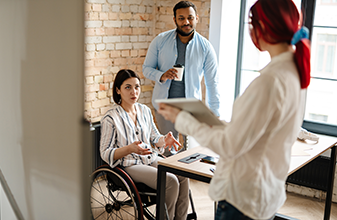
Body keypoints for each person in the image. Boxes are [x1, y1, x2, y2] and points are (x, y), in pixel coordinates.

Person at [158, 0, 311, 219]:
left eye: (251, 23)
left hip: (243, 198)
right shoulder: (295, 72)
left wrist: (184, 119)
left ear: (264, 27)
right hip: (265, 193)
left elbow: (230, 145)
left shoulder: (269, 82)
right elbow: (258, 130)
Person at [100, 69, 189, 220]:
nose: (133, 92)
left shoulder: (145, 110)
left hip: (149, 158)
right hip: (129, 164)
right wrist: (130, 149)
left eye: (137, 87)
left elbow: (155, 138)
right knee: (170, 181)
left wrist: (164, 140)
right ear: (118, 90)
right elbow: (105, 152)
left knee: (182, 174)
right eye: (127, 87)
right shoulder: (111, 118)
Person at [142, 1, 220, 153]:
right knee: (167, 152)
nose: (186, 22)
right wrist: (161, 75)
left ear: (197, 18)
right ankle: (170, 178)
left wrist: (215, 116)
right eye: (181, 18)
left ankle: (183, 178)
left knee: (189, 153)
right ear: (175, 19)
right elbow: (146, 69)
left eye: (190, 18)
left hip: (191, 110)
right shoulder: (160, 41)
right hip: (164, 107)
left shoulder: (206, 48)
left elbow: (212, 83)